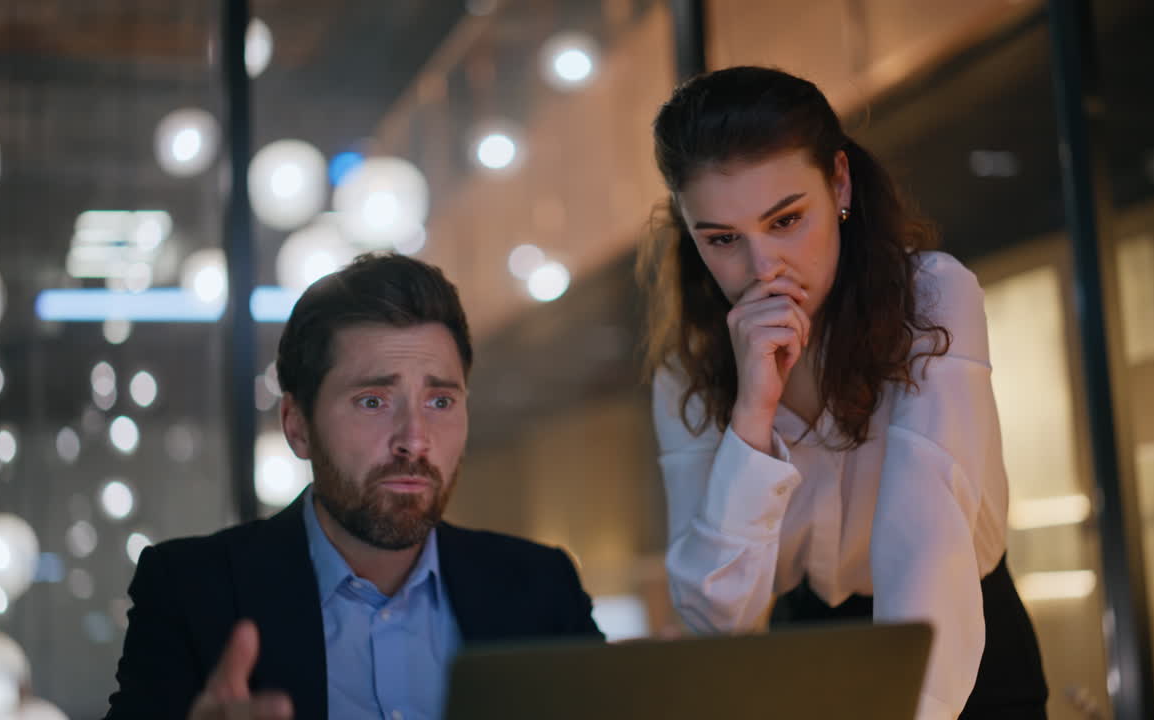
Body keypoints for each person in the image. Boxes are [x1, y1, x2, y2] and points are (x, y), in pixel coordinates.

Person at [638, 66, 1047, 720]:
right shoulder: (686, 373)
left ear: (840, 183)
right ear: (690, 236)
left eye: (787, 219)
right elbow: (715, 618)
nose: (763, 268)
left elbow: (928, 542)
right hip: (810, 643)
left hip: (958, 637)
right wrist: (752, 413)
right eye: (722, 239)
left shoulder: (931, 298)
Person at [105, 253, 602, 720]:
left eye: (440, 402)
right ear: (297, 425)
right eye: (373, 402)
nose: (414, 441)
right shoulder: (191, 592)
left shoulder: (543, 590)